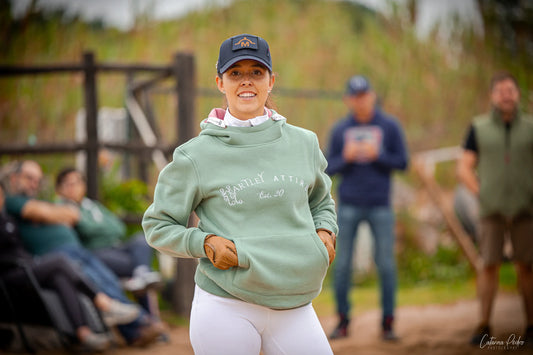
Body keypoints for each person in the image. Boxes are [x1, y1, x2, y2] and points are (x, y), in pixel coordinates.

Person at [142, 33, 338, 355]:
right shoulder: (195, 155)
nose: (246, 82)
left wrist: (326, 231)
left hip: (295, 301)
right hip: (225, 303)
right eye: (236, 73)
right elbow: (158, 226)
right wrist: (203, 243)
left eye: (256, 73)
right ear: (220, 83)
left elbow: (320, 201)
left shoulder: (304, 143)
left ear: (271, 80)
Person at [3, 160, 166, 347]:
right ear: (14, 178)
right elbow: (42, 211)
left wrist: (51, 212)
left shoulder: (48, 201)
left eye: (37, 179)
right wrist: (55, 213)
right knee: (96, 281)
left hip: (76, 249)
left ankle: (136, 330)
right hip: (55, 255)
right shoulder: (13, 201)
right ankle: (142, 323)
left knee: (109, 279)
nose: (34, 183)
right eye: (29, 178)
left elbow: (72, 215)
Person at [325, 75, 408, 340]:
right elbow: (328, 168)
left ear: (372, 95)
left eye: (364, 95)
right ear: (348, 100)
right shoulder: (339, 130)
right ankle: (343, 321)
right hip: (348, 205)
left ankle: (388, 323)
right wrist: (345, 158)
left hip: (380, 205)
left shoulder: (389, 126)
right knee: (342, 265)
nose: (360, 100)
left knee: (385, 265)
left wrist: (378, 155)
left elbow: (403, 162)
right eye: (355, 96)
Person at [456, 71, 533, 346]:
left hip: (526, 211)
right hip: (491, 211)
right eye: (500, 91)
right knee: (488, 265)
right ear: (492, 96)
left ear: (518, 94)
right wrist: (482, 194)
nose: (506, 95)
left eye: (510, 90)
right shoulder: (479, 128)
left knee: (527, 266)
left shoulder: (530, 128)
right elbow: (464, 167)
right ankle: (484, 324)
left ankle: (531, 326)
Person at [55, 167, 163, 315]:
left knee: (141, 238)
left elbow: (118, 227)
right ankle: (146, 317)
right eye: (69, 184)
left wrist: (95, 227)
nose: (74, 187)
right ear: (60, 189)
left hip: (116, 248)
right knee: (137, 269)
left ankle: (141, 275)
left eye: (78, 182)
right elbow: (86, 230)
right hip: (94, 253)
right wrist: (100, 227)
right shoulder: (63, 209)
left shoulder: (91, 206)